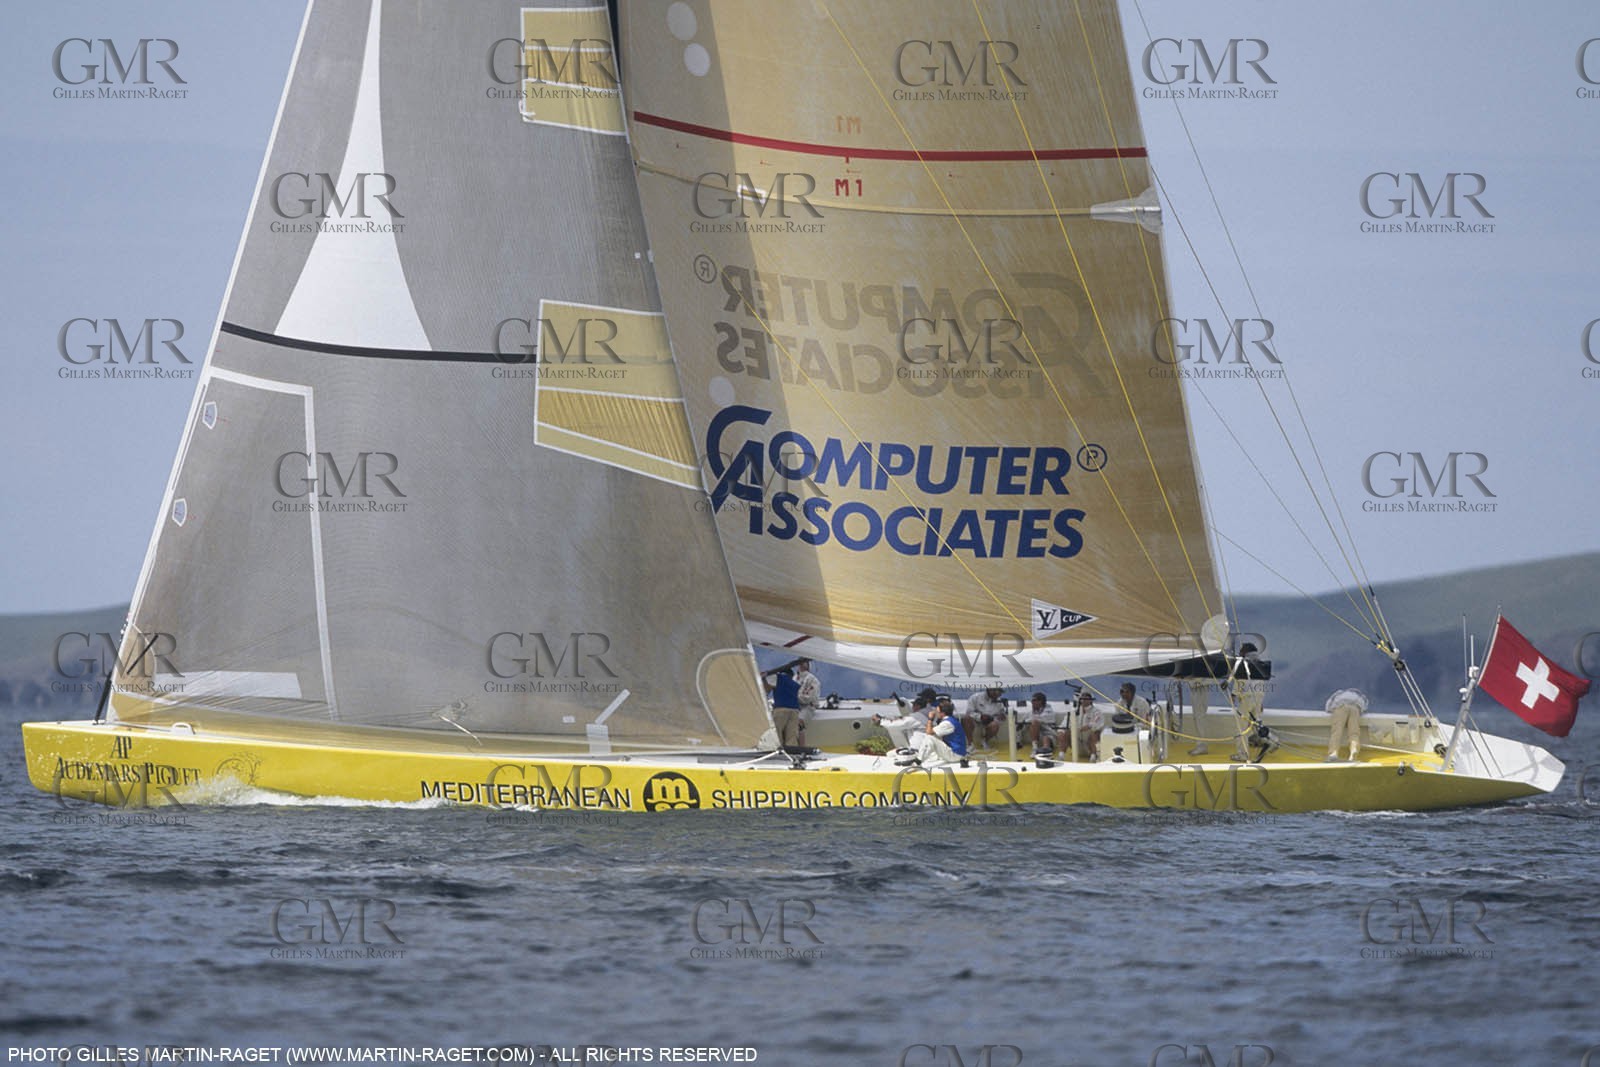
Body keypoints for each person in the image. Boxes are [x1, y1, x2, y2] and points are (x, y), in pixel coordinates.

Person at [1229, 643, 1268, 762]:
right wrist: (1260, 702)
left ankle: (1243, 754)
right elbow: (1261, 684)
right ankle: (1270, 742)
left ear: (1245, 651)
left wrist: (1233, 695)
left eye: (1241, 650)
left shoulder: (1243, 664)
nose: (1239, 652)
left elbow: (1240, 681)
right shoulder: (1260, 663)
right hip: (1258, 698)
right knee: (1257, 725)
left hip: (1247, 698)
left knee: (1241, 727)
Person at [905, 698, 968, 766]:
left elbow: (929, 732)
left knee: (930, 737)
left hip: (956, 754)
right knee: (933, 738)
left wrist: (930, 719)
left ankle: (918, 761)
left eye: (937, 711)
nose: (935, 713)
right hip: (956, 752)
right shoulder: (951, 720)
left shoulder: (947, 723)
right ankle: (921, 757)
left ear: (942, 713)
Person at [1059, 689, 1105, 761]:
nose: (1084, 700)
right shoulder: (1074, 711)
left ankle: (1093, 756)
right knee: (1065, 732)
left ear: (1091, 700)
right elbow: (1065, 723)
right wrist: (1061, 731)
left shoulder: (1097, 712)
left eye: (1086, 698)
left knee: (1095, 733)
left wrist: (1089, 726)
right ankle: (1061, 755)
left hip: (1089, 743)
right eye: (1082, 698)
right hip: (1076, 743)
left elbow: (1099, 724)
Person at [1324, 687, 1369, 762]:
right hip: (1355, 709)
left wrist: (1330, 710)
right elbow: (1364, 707)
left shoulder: (1339, 693)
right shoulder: (1359, 696)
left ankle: (1333, 753)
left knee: (1337, 731)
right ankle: (1354, 750)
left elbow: (1329, 705)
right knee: (1354, 733)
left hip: (1341, 706)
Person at [763, 666, 802, 748]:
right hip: (795, 710)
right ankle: (792, 750)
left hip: (781, 709)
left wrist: (763, 678)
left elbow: (767, 689)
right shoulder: (795, 684)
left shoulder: (778, 677)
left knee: (777, 732)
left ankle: (777, 749)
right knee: (792, 735)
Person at [962, 686, 1008, 750]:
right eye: (999, 692)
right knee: (966, 718)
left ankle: (985, 741)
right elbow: (969, 712)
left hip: (989, 723)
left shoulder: (1000, 703)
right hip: (975, 721)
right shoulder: (975, 697)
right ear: (991, 690)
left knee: (995, 725)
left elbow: (1001, 717)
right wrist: (980, 716)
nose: (1000, 695)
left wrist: (1000, 718)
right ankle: (970, 744)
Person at [794, 658, 821, 740]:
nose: (801, 663)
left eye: (804, 662)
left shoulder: (812, 679)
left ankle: (800, 746)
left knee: (799, 723)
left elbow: (809, 697)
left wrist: (794, 697)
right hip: (794, 706)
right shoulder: (794, 678)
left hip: (808, 707)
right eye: (800, 661)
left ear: (808, 665)